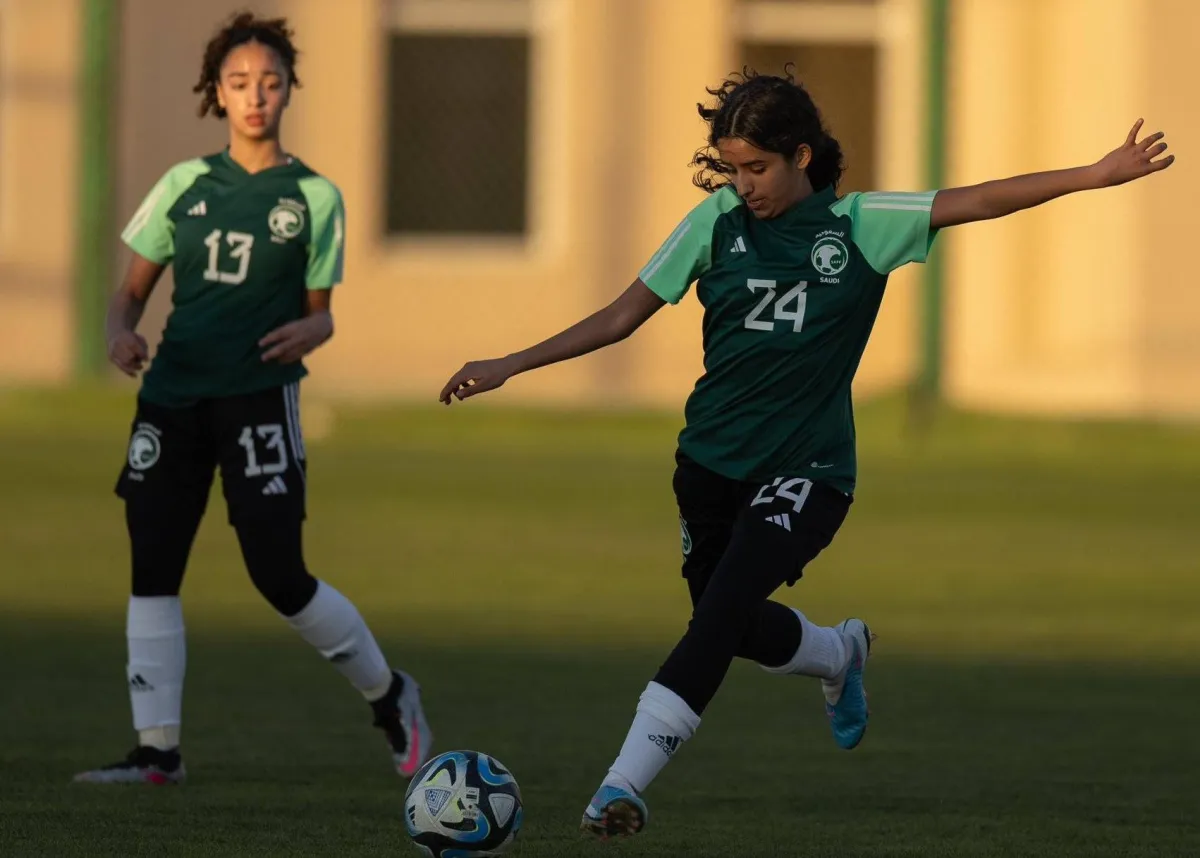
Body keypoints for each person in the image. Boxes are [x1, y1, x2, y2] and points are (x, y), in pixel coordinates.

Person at [439, 66, 1174, 836]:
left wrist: (1093, 174)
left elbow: (981, 198)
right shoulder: (715, 223)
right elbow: (623, 315)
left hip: (808, 471)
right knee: (727, 620)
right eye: (732, 168)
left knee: (717, 619)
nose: (744, 184)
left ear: (802, 156)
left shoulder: (862, 225)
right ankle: (835, 653)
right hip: (708, 464)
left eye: (758, 168)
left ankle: (619, 787)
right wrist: (510, 363)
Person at [75, 13, 432, 786]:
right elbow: (128, 296)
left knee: (279, 575)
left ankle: (390, 695)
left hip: (259, 402)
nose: (256, 96)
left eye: (270, 81)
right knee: (153, 563)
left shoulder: (314, 196)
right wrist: (118, 335)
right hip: (171, 400)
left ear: (289, 89)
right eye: (239, 83)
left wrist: (314, 330)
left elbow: (321, 313)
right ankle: (156, 753)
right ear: (217, 92)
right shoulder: (183, 185)